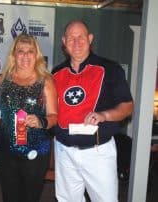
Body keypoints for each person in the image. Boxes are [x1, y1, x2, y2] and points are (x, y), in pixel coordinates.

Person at [51, 20, 134, 202]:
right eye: (71, 38)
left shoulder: (110, 69)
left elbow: (127, 106)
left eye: (81, 37)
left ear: (90, 39)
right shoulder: (55, 74)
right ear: (64, 41)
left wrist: (104, 115)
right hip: (64, 151)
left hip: (98, 153)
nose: (76, 42)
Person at [0, 33, 58, 202]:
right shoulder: (1, 80)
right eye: (20, 50)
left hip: (35, 151)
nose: (25, 55)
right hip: (5, 150)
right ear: (13, 54)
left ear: (36, 55)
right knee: (9, 197)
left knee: (30, 197)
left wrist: (41, 121)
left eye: (30, 51)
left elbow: (54, 117)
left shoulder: (45, 81)